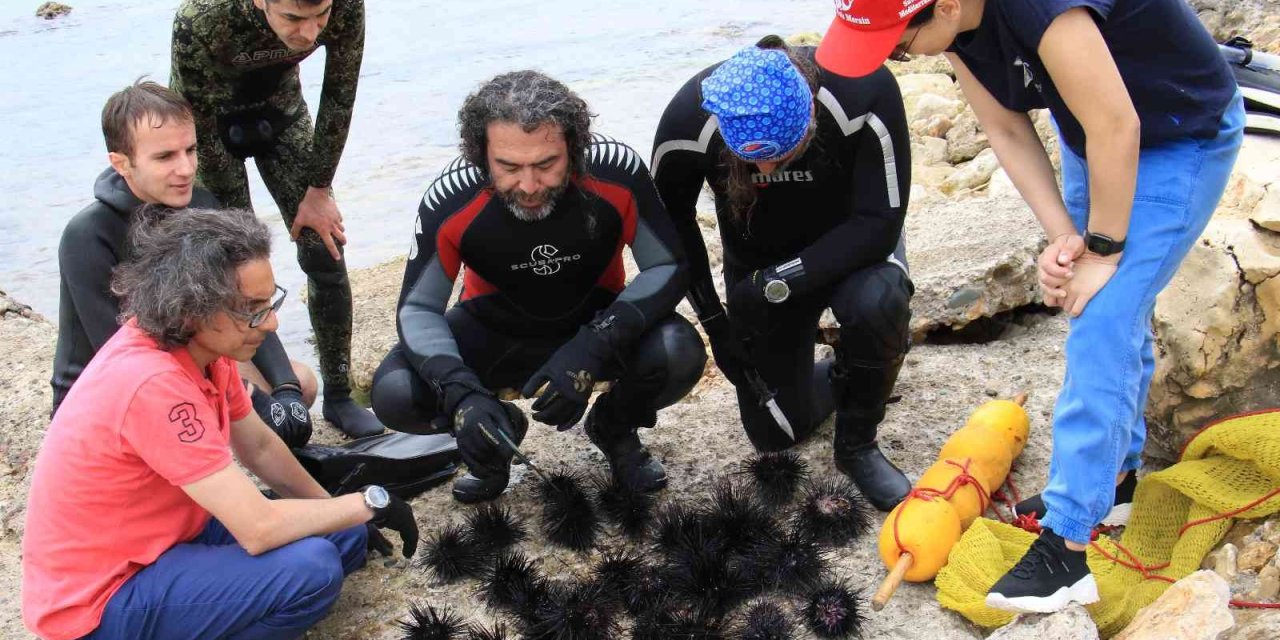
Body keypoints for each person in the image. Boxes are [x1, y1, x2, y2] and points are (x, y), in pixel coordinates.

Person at [817, 0, 1244, 612]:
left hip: (1178, 135)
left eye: (899, 44)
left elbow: (1119, 127)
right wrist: (1066, 242)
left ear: (950, 6)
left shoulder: (1042, 6)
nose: (893, 56)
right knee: (1097, 304)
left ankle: (1068, 550)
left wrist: (1103, 248)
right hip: (1092, 136)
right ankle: (1116, 480)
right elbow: (1008, 129)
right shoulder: (959, 28)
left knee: (1103, 320)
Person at [22, 207, 418, 640]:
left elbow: (261, 449)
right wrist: (369, 503)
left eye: (270, 303)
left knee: (342, 539)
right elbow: (258, 529)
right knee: (314, 570)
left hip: (168, 541)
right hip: (104, 597)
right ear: (192, 308)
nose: (270, 322)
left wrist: (349, 519)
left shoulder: (203, 350)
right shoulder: (151, 381)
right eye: (252, 309)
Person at [370, 70, 704, 503]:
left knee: (679, 351)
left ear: (574, 147)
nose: (529, 186)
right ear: (480, 154)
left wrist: (595, 345)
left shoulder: (617, 173)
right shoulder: (452, 197)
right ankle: (495, 435)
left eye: (547, 164)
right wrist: (462, 395)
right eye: (508, 167)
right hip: (495, 330)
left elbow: (667, 265)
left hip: (597, 320)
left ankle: (615, 427)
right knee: (395, 393)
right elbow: (418, 309)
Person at [651, 38, 914, 511]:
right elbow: (672, 227)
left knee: (880, 302)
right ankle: (849, 373)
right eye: (750, 158)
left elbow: (880, 224)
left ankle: (858, 446)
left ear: (810, 111)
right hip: (756, 260)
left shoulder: (862, 92)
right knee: (775, 435)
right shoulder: (688, 120)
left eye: (782, 152)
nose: (766, 168)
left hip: (854, 249)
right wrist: (716, 325)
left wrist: (775, 284)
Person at [53, 79, 316, 447]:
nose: (186, 168)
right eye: (165, 157)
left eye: (190, 150)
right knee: (238, 405)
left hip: (187, 356)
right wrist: (248, 396)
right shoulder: (87, 236)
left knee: (302, 382)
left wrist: (285, 389)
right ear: (122, 163)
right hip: (109, 393)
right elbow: (122, 356)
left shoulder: (202, 205)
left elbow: (249, 307)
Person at [170, 0, 382, 438]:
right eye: (293, 19)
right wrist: (233, 219)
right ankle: (272, 393)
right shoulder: (201, 19)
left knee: (323, 246)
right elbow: (200, 130)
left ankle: (339, 398)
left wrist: (319, 190)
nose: (309, 33)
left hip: (280, 114)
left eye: (319, 17)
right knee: (239, 268)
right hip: (211, 127)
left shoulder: (343, 3)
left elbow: (340, 91)